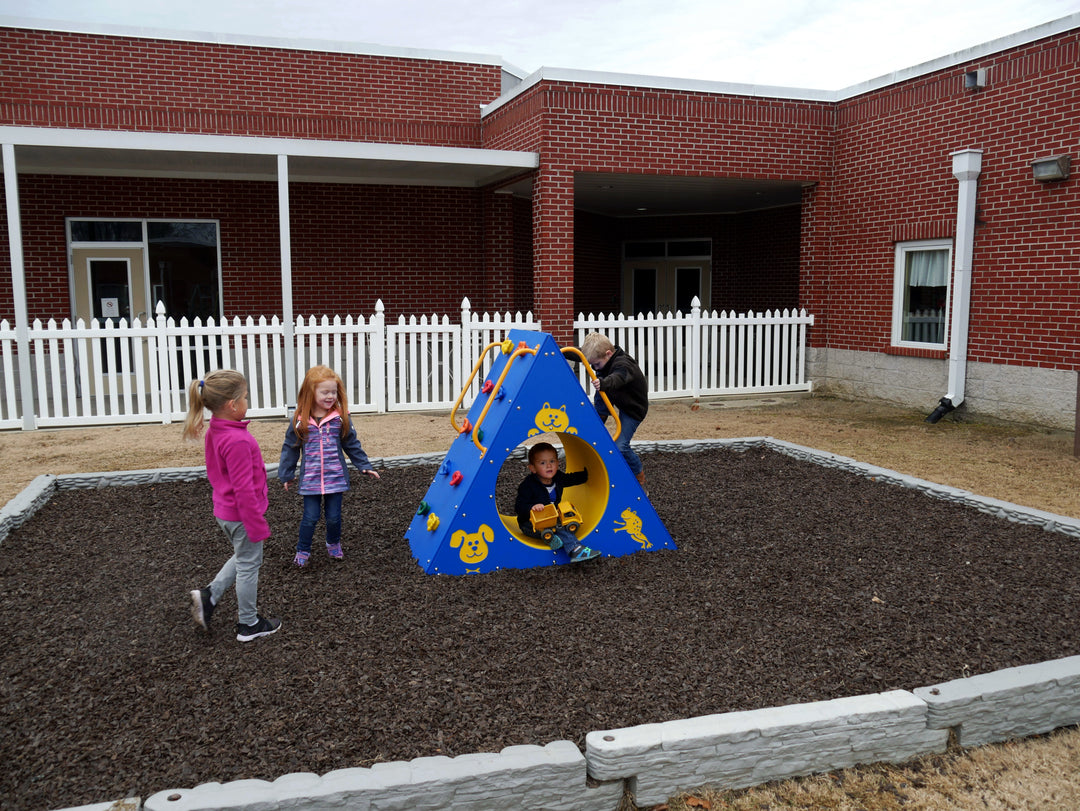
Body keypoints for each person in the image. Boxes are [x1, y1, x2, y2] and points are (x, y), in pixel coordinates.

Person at [183, 369, 281, 643]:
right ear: (232, 405)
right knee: (250, 565)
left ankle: (209, 595)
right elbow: (243, 489)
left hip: (225, 512)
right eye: (245, 397)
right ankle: (248, 624)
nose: (247, 402)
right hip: (241, 515)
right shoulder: (237, 440)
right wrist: (256, 524)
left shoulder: (218, 428)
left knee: (242, 557)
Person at [278, 365, 381, 567]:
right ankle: (303, 549)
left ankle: (333, 543)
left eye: (333, 392)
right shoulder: (300, 421)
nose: (330, 396)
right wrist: (286, 474)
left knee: (333, 517)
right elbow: (290, 448)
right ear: (310, 392)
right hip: (311, 480)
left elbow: (351, 443)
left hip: (335, 478)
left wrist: (364, 465)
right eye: (325, 392)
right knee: (310, 517)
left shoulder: (340, 418)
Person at [580, 332, 649, 492]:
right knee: (601, 400)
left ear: (608, 354)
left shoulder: (624, 365)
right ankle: (599, 419)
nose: (593, 368)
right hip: (612, 394)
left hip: (633, 409)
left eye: (596, 364)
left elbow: (618, 378)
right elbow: (577, 353)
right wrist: (556, 349)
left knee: (620, 446)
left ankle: (639, 478)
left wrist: (604, 383)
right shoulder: (601, 356)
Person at [515, 442, 599, 563]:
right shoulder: (528, 486)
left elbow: (570, 479)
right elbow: (519, 506)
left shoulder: (558, 477)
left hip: (550, 519)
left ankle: (553, 539)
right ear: (532, 468)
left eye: (552, 461)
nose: (549, 465)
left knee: (561, 524)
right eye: (543, 463)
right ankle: (576, 549)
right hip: (530, 524)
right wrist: (532, 507)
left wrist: (587, 473)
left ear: (558, 463)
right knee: (558, 528)